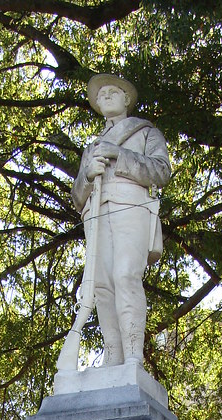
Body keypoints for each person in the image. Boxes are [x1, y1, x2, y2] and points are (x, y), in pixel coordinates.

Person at [69, 74, 171, 367]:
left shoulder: (145, 132)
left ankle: (133, 357)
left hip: (131, 206)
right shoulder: (91, 148)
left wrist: (120, 155)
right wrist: (87, 175)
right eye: (101, 95)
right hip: (96, 213)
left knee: (126, 275)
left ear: (127, 99)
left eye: (113, 92)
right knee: (101, 285)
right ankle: (114, 357)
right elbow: (77, 198)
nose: (106, 96)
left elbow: (161, 172)